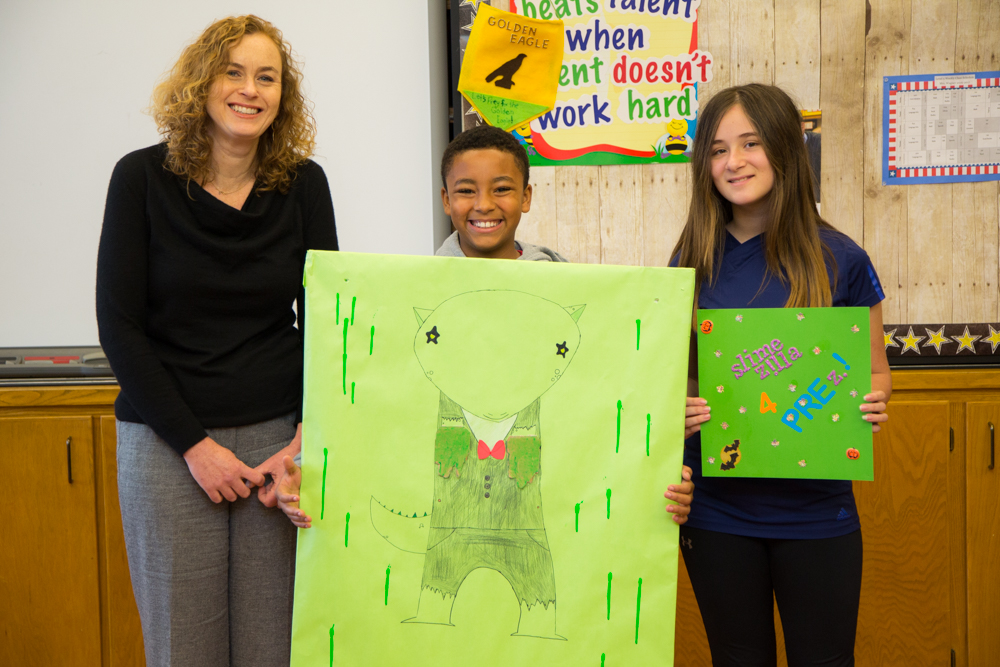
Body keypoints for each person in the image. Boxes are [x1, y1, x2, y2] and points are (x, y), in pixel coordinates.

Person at [275, 125, 694, 531]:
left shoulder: (569, 289)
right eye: (465, 190)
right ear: (445, 199)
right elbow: (366, 392)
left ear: (527, 196)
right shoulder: (410, 297)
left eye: (502, 188)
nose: (484, 204)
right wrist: (303, 469)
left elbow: (605, 383)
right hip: (447, 484)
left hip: (544, 486)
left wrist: (660, 445)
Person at [95, 15, 337, 667]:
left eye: (268, 77)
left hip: (276, 447)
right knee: (185, 650)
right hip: (168, 445)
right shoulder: (140, 179)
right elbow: (119, 325)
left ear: (283, 96)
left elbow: (327, 317)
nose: (250, 89)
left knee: (273, 646)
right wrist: (196, 447)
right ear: (202, 81)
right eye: (233, 71)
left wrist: (307, 435)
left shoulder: (304, 185)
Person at [673, 83, 891, 667]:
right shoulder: (691, 256)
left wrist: (872, 401)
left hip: (819, 509)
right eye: (717, 150)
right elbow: (679, 380)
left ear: (787, 150)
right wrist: (682, 407)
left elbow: (873, 369)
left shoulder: (841, 258)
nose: (733, 161)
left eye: (750, 143)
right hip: (716, 508)